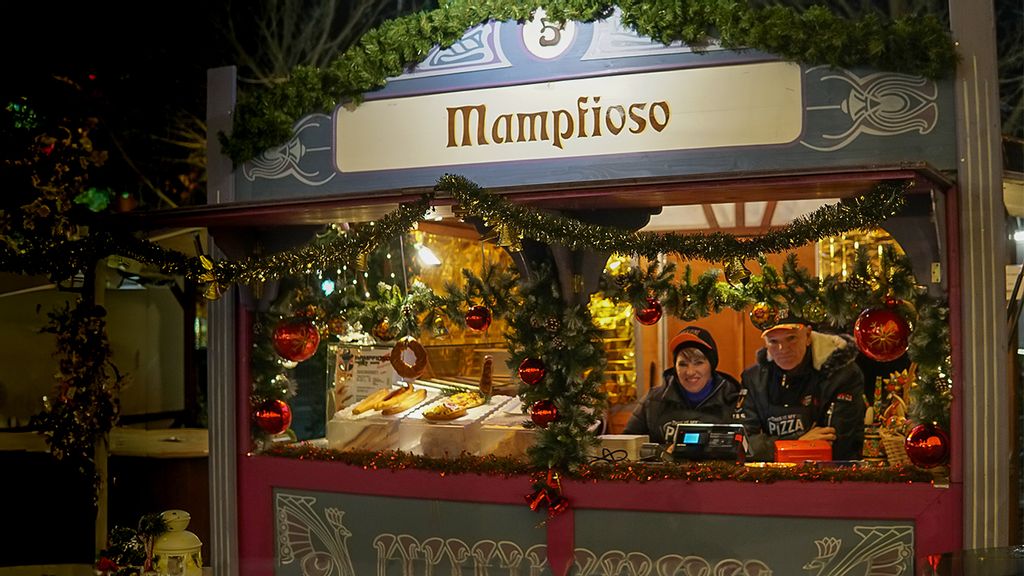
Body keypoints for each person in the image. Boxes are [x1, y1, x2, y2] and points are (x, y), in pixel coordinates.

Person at [742, 317, 866, 461]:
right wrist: (798, 442)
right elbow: (744, 444)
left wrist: (772, 446)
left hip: (830, 476)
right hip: (770, 477)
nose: (783, 349)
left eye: (791, 338)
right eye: (773, 341)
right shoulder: (753, 378)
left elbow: (835, 444)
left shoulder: (842, 374)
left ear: (807, 336)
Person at [623, 326, 748, 444]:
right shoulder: (653, 401)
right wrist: (662, 453)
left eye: (698, 363)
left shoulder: (734, 399)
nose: (690, 372)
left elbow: (747, 445)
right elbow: (627, 446)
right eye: (683, 364)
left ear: (712, 365)